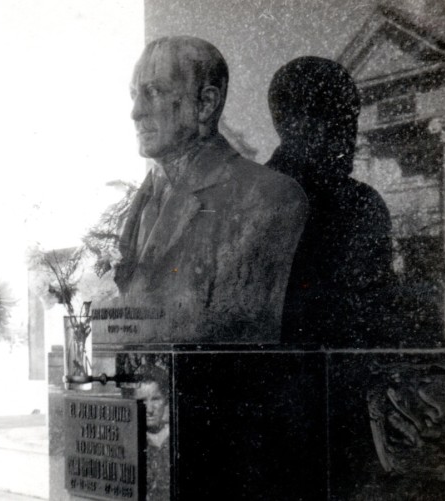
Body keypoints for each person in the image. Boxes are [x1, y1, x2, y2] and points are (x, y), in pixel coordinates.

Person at [114, 36, 308, 341]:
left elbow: (236, 336)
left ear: (205, 104)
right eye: (134, 94)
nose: (136, 112)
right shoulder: (138, 203)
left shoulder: (268, 197)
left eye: (154, 92)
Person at [266, 56, 395, 346]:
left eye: (352, 122)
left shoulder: (363, 204)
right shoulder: (361, 205)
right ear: (295, 125)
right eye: (340, 121)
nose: (351, 137)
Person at [131, 364, 171, 500]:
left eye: (155, 399)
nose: (149, 409)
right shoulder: (131, 442)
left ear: (165, 400)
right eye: (142, 401)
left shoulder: (175, 437)